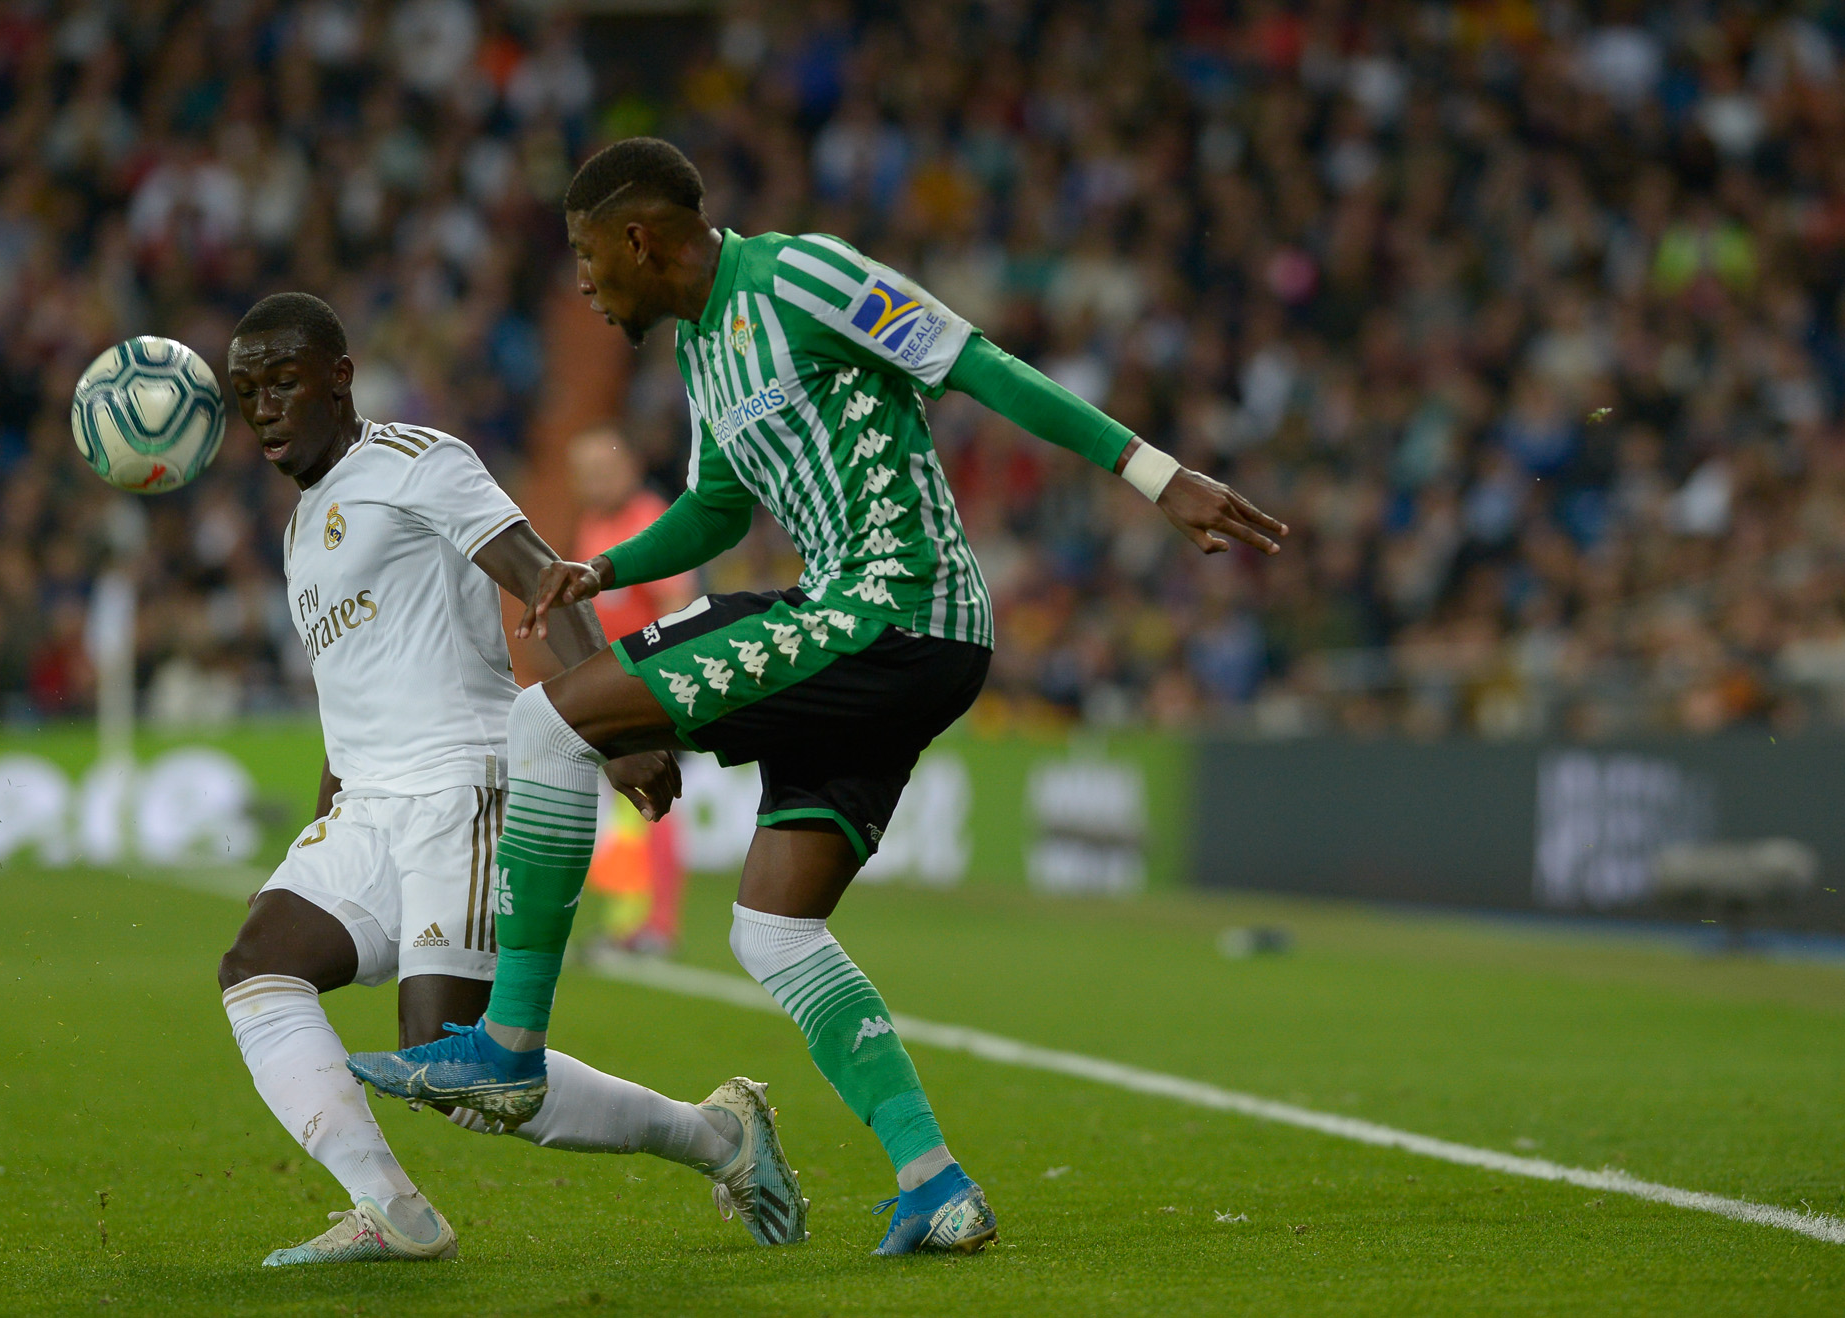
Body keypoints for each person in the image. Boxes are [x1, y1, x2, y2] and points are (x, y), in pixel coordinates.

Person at [349, 139, 1285, 1256]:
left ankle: (509, 1047)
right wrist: (608, 567)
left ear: (638, 239)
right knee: (773, 928)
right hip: (885, 647)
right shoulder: (703, 351)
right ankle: (935, 1183)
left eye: (589, 258)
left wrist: (1155, 473)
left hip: (889, 608)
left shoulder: (802, 275)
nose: (585, 285)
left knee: (545, 720)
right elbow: (717, 510)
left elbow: (976, 361)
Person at [217, 291, 808, 1267]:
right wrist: (322, 828)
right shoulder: (299, 528)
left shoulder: (418, 462)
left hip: (463, 785)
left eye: (284, 381)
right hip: (367, 806)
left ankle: (719, 1136)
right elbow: (351, 691)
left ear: (341, 378)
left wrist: (615, 726)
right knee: (257, 966)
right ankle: (390, 1210)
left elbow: (543, 575)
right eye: (248, 393)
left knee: (459, 1061)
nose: (266, 408)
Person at [568, 424, 696, 955]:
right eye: (586, 473)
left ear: (630, 468)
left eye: (605, 469)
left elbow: (677, 603)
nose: (596, 482)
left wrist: (665, 682)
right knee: (625, 812)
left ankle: (656, 925)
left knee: (651, 801)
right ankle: (628, 925)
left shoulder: (649, 520)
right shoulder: (592, 526)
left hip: (651, 689)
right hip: (611, 692)